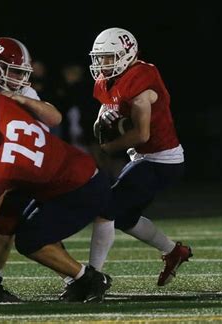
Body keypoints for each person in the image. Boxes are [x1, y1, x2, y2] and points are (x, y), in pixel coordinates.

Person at [0, 94, 113, 302]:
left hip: (80, 190)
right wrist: (16, 97)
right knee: (8, 219)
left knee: (31, 241)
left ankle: (90, 278)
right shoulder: (1, 107)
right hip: (78, 170)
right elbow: (53, 116)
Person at [90, 27, 191, 286]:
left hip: (162, 159)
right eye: (100, 57)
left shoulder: (141, 78)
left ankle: (91, 276)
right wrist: (103, 121)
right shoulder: (106, 80)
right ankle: (173, 251)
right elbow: (103, 116)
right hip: (143, 158)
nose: (103, 63)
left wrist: (109, 148)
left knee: (106, 210)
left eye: (109, 57)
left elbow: (142, 135)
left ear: (127, 54)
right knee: (124, 218)